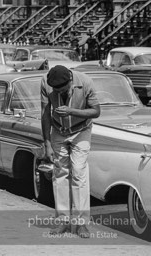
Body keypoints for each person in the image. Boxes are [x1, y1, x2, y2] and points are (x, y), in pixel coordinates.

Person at [40, 65, 101, 238]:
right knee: (60, 173)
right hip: (58, 130)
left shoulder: (86, 82)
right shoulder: (45, 82)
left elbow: (96, 111)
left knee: (79, 172)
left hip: (81, 130)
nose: (58, 92)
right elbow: (45, 113)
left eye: (62, 89)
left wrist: (71, 111)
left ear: (71, 81)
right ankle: (63, 221)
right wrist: (47, 143)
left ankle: (81, 223)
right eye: (55, 90)